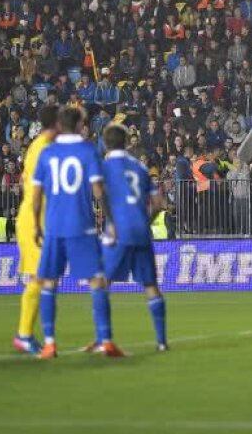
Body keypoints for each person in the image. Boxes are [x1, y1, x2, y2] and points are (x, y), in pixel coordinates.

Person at [29, 105, 123, 359]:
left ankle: (49, 343)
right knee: (97, 282)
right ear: (80, 125)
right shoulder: (88, 150)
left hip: (54, 227)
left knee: (49, 283)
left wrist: (37, 225)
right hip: (83, 226)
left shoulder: (47, 153)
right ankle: (106, 341)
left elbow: (36, 196)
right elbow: (98, 191)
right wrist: (112, 221)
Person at [100, 123, 168, 351]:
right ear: (127, 142)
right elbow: (159, 204)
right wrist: (144, 222)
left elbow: (98, 195)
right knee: (150, 285)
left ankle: (104, 340)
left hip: (117, 231)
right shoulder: (140, 167)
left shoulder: (105, 167)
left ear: (105, 144)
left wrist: (112, 223)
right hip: (141, 231)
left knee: (102, 283)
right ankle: (161, 342)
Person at [13, 103, 59, 355]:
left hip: (38, 216)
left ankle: (26, 334)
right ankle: (24, 334)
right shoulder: (43, 148)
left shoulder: (40, 147)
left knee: (43, 277)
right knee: (41, 277)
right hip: (34, 219)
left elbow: (24, 180)